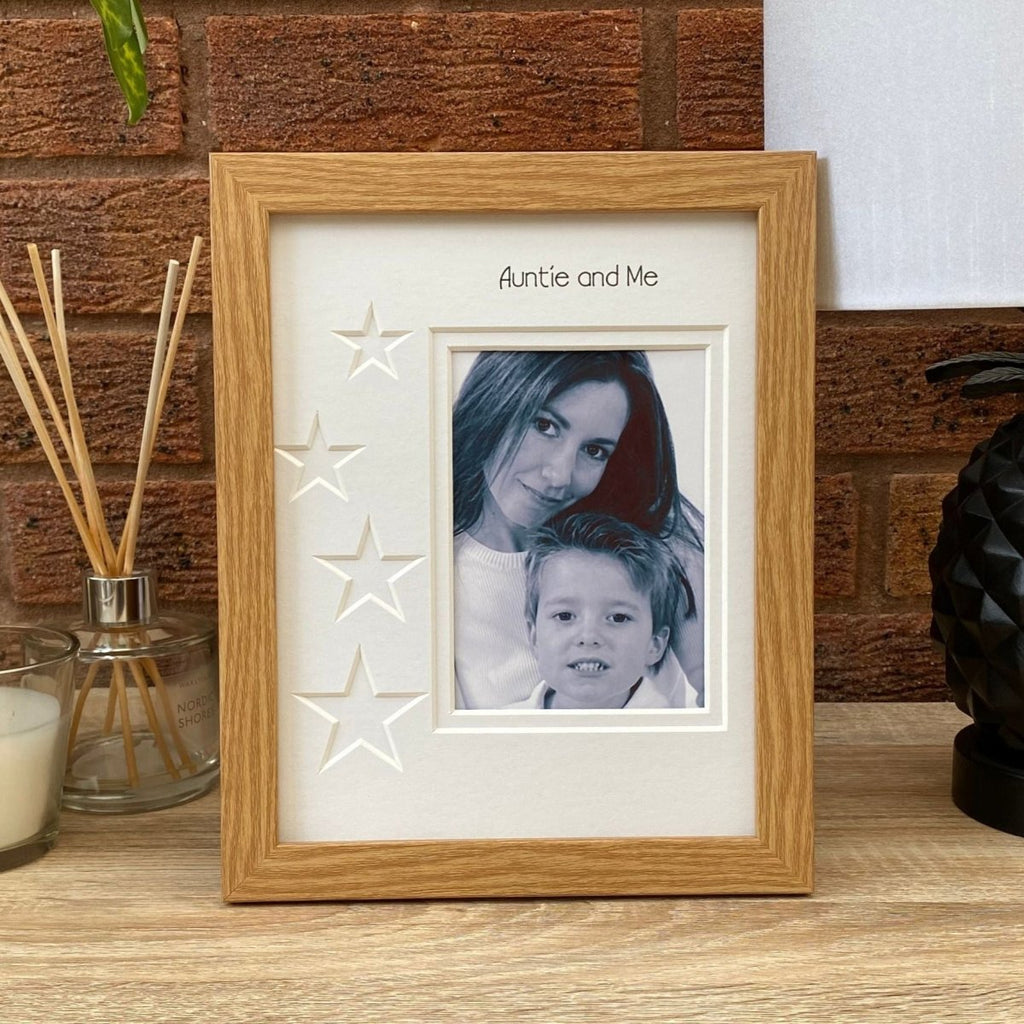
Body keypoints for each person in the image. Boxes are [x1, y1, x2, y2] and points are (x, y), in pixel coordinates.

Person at [452, 349, 704, 710]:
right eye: (544, 426)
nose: (560, 475)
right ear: (494, 404)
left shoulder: (655, 544)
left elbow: (737, 702)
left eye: (595, 450)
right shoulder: (427, 568)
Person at [507, 512, 699, 710]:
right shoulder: (499, 729)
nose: (589, 637)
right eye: (565, 616)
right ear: (534, 636)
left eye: (618, 618)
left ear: (655, 644)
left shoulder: (677, 733)